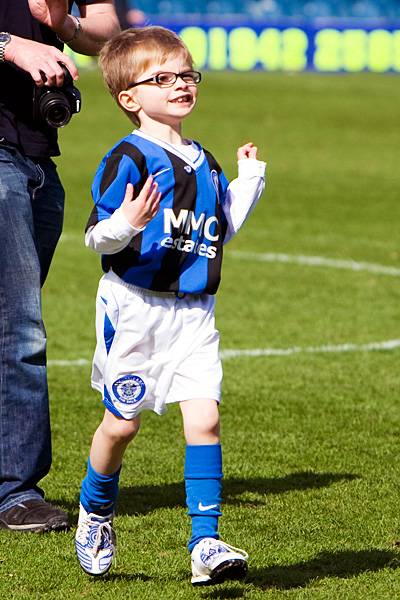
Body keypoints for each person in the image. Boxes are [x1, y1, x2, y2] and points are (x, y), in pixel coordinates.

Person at [74, 26, 266, 585]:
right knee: (121, 426)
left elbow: (217, 229)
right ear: (129, 98)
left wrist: (249, 179)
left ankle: (205, 543)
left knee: (204, 419)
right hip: (134, 310)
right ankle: (97, 509)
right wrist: (125, 224)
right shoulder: (129, 157)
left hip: (194, 313)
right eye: (162, 78)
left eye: (186, 74)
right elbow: (95, 238)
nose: (180, 84)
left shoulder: (204, 161)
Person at [0, 0, 120, 533]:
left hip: (38, 156)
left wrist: (62, 26)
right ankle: (15, 492)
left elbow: (106, 32)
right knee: (19, 329)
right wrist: (11, 46)